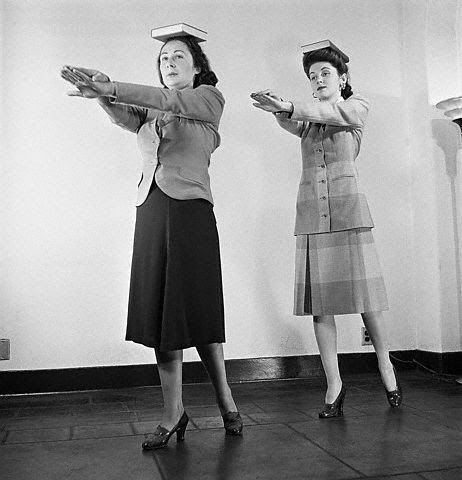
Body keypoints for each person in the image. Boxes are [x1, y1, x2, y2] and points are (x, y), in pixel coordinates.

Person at [60, 32, 242, 448]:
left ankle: (226, 401)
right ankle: (172, 413)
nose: (170, 62)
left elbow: (172, 101)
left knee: (199, 312)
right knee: (161, 316)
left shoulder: (209, 99)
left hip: (191, 212)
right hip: (152, 209)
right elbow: (127, 117)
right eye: (163, 58)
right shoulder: (152, 108)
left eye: (179, 56)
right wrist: (101, 94)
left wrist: (112, 86)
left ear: (197, 67)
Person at [250, 43, 402, 418]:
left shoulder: (356, 105)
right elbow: (291, 120)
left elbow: (337, 113)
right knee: (321, 308)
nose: (317, 80)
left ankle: (386, 365)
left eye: (325, 74)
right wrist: (277, 109)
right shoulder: (308, 117)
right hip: (311, 213)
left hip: (348, 209)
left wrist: (288, 106)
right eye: (312, 76)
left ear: (343, 78)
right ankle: (334, 383)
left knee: (367, 300)